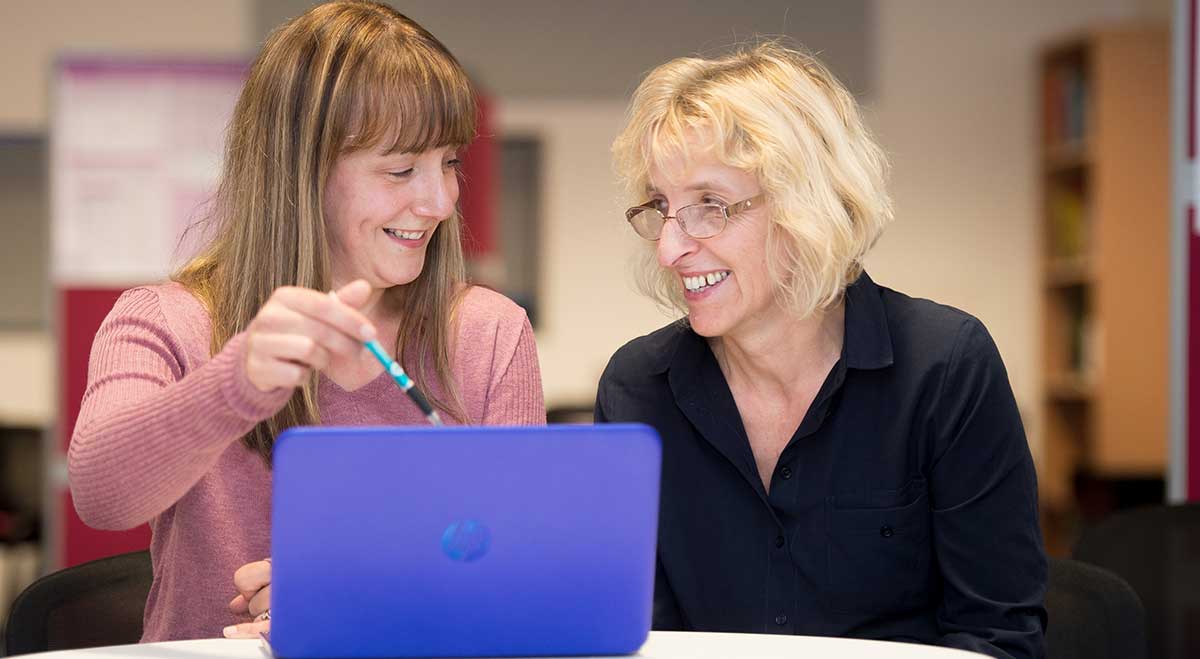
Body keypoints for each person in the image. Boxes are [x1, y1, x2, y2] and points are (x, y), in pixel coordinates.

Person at [67, 0, 544, 643]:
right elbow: (102, 497)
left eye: (450, 162)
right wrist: (237, 384)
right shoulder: (166, 321)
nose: (439, 202)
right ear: (301, 174)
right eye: (401, 169)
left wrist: (347, 593)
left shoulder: (489, 333)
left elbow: (520, 570)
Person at [596, 42, 1046, 658]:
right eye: (661, 207)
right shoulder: (639, 388)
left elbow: (997, 637)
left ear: (806, 203)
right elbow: (639, 639)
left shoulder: (944, 367)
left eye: (709, 206)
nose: (670, 248)